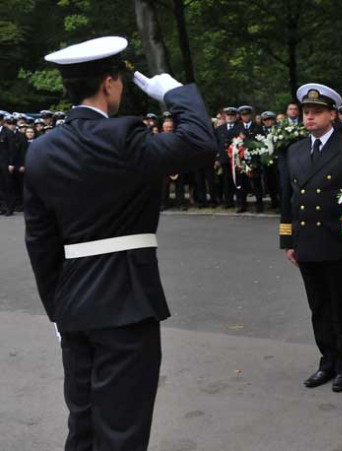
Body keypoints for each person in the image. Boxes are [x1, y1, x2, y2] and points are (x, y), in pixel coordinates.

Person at [23, 36, 217, 450]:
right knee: (123, 429)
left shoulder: (40, 150)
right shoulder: (124, 138)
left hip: (73, 304)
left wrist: (57, 311)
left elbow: (40, 243)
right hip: (127, 302)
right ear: (110, 84)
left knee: (84, 424)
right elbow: (200, 143)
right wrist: (176, 95)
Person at [280, 83, 342, 393]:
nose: (309, 117)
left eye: (316, 112)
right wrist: (287, 240)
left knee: (341, 306)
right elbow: (288, 198)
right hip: (306, 240)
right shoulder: (294, 150)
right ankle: (327, 360)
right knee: (318, 306)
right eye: (306, 112)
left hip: (337, 240)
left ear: (332, 115)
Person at [236, 105, 264, 213]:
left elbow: (261, 141)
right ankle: (242, 204)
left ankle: (259, 204)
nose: (245, 117)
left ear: (250, 115)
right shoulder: (238, 128)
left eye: (247, 115)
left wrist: (248, 140)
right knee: (242, 183)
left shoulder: (257, 127)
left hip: (253, 159)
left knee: (256, 182)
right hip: (241, 160)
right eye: (243, 115)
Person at [215, 107, 240, 209]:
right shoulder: (219, 129)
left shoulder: (240, 127)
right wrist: (217, 159)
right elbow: (216, 145)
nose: (230, 117)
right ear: (225, 116)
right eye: (228, 115)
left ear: (235, 116)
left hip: (237, 159)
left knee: (238, 181)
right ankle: (228, 202)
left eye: (232, 115)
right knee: (226, 181)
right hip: (224, 159)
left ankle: (240, 202)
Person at [261, 110, 279, 209]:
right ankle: (273, 201)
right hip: (265, 159)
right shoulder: (260, 130)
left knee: (278, 181)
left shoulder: (278, 130)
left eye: (270, 119)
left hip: (277, 159)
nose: (268, 122)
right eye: (265, 120)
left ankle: (280, 201)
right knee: (269, 181)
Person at [0, 111, 17, 216]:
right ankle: (2, 207)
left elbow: (12, 149)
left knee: (7, 186)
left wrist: (11, 163)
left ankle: (9, 208)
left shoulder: (8, 133)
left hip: (5, 163)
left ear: (1, 121)